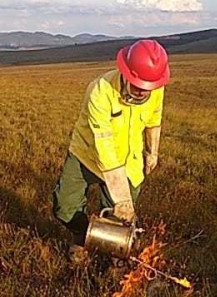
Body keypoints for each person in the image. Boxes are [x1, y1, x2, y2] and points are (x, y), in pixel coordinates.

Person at [52, 39, 169, 263]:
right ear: (126, 73)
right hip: (86, 155)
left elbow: (154, 119)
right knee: (64, 207)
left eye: (147, 87)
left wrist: (152, 152)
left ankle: (116, 254)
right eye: (138, 85)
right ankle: (82, 236)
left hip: (128, 160)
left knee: (120, 217)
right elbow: (104, 145)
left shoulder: (154, 87)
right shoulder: (100, 90)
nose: (142, 92)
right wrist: (122, 197)